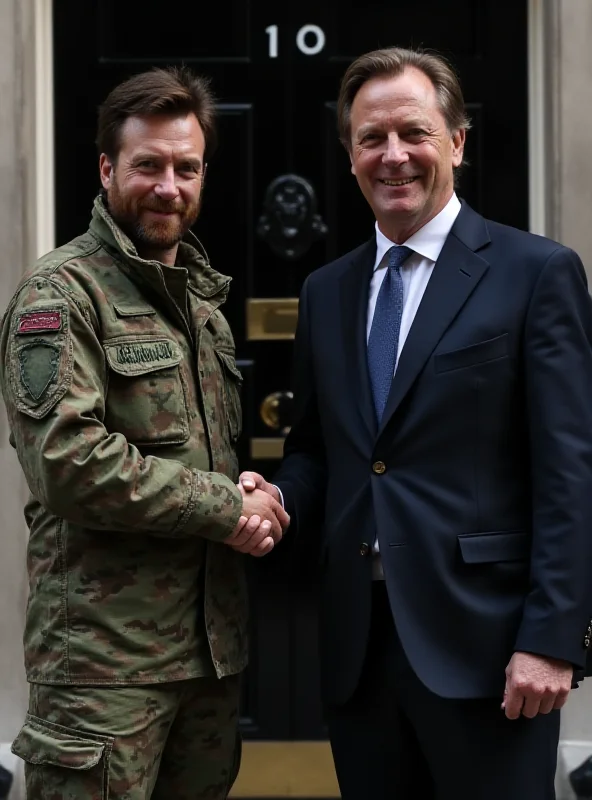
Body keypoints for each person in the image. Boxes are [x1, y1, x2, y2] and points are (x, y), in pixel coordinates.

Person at [240, 46, 592, 799]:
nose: (392, 155)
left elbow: (571, 470)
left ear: (457, 142)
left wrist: (553, 640)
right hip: (358, 653)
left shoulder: (537, 274)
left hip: (490, 652)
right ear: (350, 154)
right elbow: (318, 455)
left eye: (414, 132)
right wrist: (274, 500)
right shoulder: (326, 291)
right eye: (371, 138)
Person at [0, 66, 288, 800]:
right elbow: (68, 463)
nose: (169, 186)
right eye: (148, 166)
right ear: (106, 169)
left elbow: (203, 456)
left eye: (186, 168)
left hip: (208, 660)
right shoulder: (60, 295)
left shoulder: (202, 303)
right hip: (102, 672)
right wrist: (229, 508)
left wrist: (249, 490)